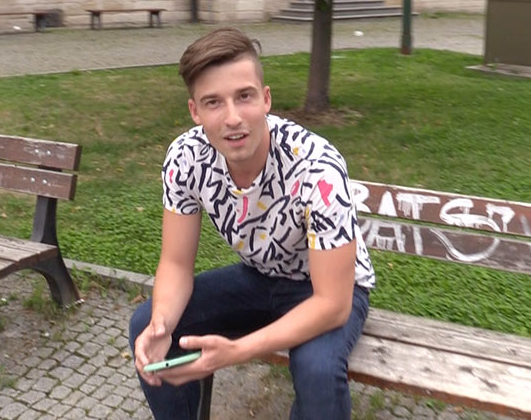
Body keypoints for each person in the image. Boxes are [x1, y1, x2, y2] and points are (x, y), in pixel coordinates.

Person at [129, 27, 375, 420]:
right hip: (261, 277)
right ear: (195, 111)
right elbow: (175, 263)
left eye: (244, 96)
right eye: (213, 102)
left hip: (327, 289)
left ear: (266, 99)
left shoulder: (317, 168)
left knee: (317, 370)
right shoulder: (186, 159)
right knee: (145, 323)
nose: (232, 118)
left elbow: (333, 305)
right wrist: (162, 323)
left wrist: (237, 351)